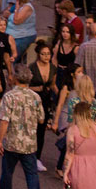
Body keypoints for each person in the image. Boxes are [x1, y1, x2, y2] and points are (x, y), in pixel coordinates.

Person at [0, 65, 44, 189]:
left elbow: (4, 120)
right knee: (32, 174)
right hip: (29, 143)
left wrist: (0, 140)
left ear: (16, 78)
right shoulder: (35, 97)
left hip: (13, 141)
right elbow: (41, 119)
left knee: (7, 173)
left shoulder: (9, 97)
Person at [28, 40, 58, 171]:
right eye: (43, 54)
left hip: (45, 102)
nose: (46, 56)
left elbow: (53, 85)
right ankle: (26, 153)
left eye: (48, 54)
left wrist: (63, 95)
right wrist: (36, 88)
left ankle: (37, 158)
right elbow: (26, 86)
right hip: (33, 100)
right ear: (38, 55)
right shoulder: (32, 67)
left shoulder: (53, 68)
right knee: (31, 128)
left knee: (41, 130)